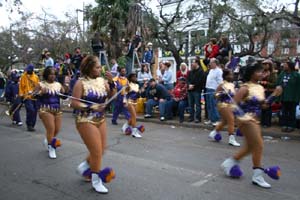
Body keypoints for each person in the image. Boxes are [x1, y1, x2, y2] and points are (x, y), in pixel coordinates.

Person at [221, 63, 281, 188]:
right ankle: (257, 176)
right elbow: (232, 105)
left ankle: (229, 162)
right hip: (246, 121)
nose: (262, 73)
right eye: (259, 71)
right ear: (251, 73)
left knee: (250, 148)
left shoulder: (260, 88)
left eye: (262, 71)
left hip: (255, 120)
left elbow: (264, 105)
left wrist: (274, 95)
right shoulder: (244, 88)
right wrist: (244, 117)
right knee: (259, 145)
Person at [71, 55, 115, 194]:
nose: (100, 69)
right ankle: (96, 180)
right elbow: (74, 103)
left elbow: (111, 96)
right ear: (89, 68)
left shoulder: (102, 81)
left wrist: (112, 82)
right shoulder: (80, 83)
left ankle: (85, 166)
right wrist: (90, 107)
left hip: (100, 119)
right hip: (85, 119)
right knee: (96, 152)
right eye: (97, 67)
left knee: (102, 150)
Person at [34, 67, 66, 159]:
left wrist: (66, 89)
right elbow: (33, 95)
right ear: (46, 75)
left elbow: (64, 96)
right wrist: (40, 93)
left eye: (54, 74)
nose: (53, 76)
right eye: (51, 74)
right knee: (51, 128)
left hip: (57, 109)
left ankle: (48, 139)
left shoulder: (58, 84)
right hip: (45, 109)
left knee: (57, 129)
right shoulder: (40, 84)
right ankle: (51, 147)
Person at [208, 69, 240, 146]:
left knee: (225, 121)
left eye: (232, 74)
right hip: (223, 105)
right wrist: (222, 93)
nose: (232, 76)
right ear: (226, 76)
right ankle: (231, 139)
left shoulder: (232, 84)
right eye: (230, 74)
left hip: (230, 105)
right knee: (231, 120)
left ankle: (214, 132)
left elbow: (234, 95)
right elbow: (215, 95)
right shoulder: (222, 85)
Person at [276, 60, 300, 132]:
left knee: (292, 112)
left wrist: (297, 98)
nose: (284, 66)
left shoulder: (296, 75)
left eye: (285, 65)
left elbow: (298, 87)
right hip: (284, 96)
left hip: (293, 97)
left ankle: (291, 126)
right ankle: (284, 125)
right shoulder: (282, 74)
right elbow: (278, 83)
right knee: (284, 112)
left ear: (289, 66)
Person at [122, 72, 145, 138]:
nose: (135, 78)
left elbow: (137, 95)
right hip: (129, 102)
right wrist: (124, 102)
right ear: (130, 78)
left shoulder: (137, 85)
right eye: (133, 76)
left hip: (135, 102)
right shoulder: (128, 85)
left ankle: (125, 126)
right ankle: (134, 132)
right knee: (134, 116)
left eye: (135, 76)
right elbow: (125, 95)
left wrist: (141, 91)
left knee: (132, 117)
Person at [19, 64, 40, 131]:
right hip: (27, 97)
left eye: (29, 70)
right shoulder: (23, 76)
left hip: (34, 96)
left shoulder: (36, 77)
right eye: (27, 70)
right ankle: (29, 124)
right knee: (30, 110)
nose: (27, 71)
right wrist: (21, 94)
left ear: (32, 70)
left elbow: (38, 86)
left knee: (34, 112)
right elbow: (21, 86)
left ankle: (32, 125)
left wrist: (36, 92)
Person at [205, 58, 223, 126]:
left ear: (215, 63)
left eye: (211, 63)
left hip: (214, 89)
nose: (210, 64)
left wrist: (217, 91)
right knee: (209, 105)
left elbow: (220, 82)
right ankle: (211, 119)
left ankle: (216, 119)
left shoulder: (219, 71)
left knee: (214, 105)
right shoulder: (211, 70)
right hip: (208, 88)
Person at [260, 59, 277, 127]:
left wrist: (266, 83)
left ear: (270, 65)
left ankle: (267, 123)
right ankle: (262, 122)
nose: (264, 66)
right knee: (262, 106)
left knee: (268, 107)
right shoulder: (261, 72)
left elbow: (275, 83)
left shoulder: (273, 73)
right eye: (263, 64)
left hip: (269, 91)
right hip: (262, 91)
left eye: (266, 64)